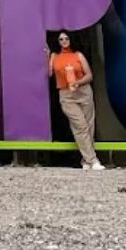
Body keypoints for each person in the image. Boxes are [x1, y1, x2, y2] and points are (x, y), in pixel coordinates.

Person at [48, 30, 104, 170]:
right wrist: (45, 56)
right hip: (66, 94)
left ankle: (86, 160)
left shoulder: (78, 55)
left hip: (83, 91)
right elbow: (49, 74)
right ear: (57, 42)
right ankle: (93, 159)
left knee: (89, 125)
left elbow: (89, 75)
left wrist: (78, 82)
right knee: (80, 125)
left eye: (66, 38)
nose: (64, 41)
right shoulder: (54, 56)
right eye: (61, 39)